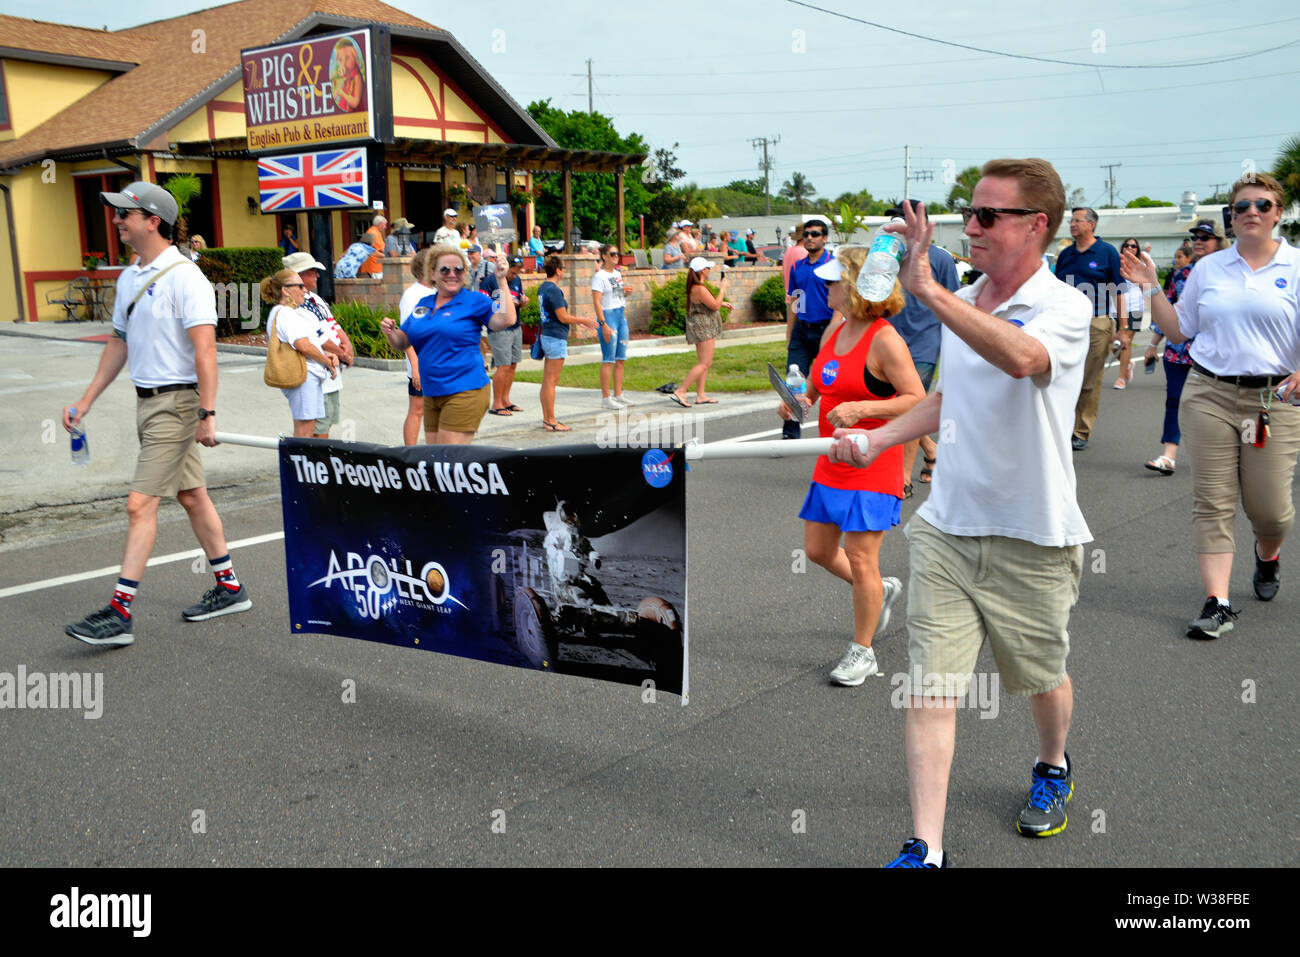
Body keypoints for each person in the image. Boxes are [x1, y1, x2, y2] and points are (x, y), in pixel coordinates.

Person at [828, 159, 1092, 867]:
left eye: (988, 216)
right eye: (969, 213)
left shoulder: (1064, 306)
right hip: (948, 527)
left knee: (1042, 675)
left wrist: (930, 293)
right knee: (930, 687)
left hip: (1032, 532)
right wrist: (879, 437)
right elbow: (950, 396)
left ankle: (1052, 763)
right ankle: (926, 848)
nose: (969, 227)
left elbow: (1020, 360)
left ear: (1037, 225)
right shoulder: (968, 298)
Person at [62, 181, 253, 647]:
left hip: (178, 405)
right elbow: (118, 343)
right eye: (115, 213)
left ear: (153, 221)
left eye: (125, 214)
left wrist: (207, 412)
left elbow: (205, 350)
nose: (116, 220)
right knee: (192, 497)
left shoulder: (186, 278)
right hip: (147, 404)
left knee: (139, 503)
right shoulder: (129, 278)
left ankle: (119, 612)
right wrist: (86, 401)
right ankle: (230, 587)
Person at [1121, 172, 1300, 640]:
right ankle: (1217, 603)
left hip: (1272, 400)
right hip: (1211, 393)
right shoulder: (1210, 268)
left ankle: (1267, 554)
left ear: (1278, 212)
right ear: (1231, 217)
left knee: (1271, 510)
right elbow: (1180, 330)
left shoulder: (1296, 266)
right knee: (1214, 500)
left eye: (1262, 205)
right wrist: (1150, 286)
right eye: (1241, 207)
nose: (1251, 214)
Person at [779, 249, 923, 686]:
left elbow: (919, 400)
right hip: (830, 460)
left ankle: (863, 652)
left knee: (862, 558)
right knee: (819, 552)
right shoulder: (833, 330)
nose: (825, 287)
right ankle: (880, 591)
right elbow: (822, 386)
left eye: (833, 280)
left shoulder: (885, 340)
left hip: (874, 461)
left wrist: (863, 409)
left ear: (861, 286)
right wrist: (799, 402)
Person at [379, 245, 518, 444]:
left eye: (458, 269)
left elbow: (506, 320)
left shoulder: (473, 301)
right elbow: (403, 341)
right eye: (445, 269)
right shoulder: (423, 304)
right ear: (432, 273)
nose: (452, 274)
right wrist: (391, 332)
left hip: (465, 390)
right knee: (437, 460)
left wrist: (501, 279)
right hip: (432, 393)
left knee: (447, 459)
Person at [880, 200, 961, 496]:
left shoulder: (940, 259)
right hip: (888, 344)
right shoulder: (884, 257)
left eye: (905, 222)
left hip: (924, 344)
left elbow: (953, 305)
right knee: (896, 406)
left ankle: (902, 476)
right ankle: (931, 449)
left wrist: (952, 351)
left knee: (910, 405)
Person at [1057, 207, 1124, 450]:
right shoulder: (1065, 255)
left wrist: (1124, 327)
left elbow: (1119, 290)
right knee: (1062, 377)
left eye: (1077, 220)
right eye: (1071, 220)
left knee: (1089, 380)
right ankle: (1062, 425)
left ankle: (1081, 431)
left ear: (1092, 224)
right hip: (1066, 324)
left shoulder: (1107, 253)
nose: (1072, 224)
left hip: (1098, 322)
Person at [285, 251, 354, 439]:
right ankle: (317, 464)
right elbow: (316, 337)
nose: (317, 275)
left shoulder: (315, 299)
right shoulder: (294, 305)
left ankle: (320, 462)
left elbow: (333, 323)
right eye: (312, 271)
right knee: (314, 427)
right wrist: (342, 353)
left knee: (326, 422)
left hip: (331, 373)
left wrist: (347, 345)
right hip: (315, 374)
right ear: (299, 275)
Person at [1141, 243, 1196, 474]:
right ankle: (1168, 456)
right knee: (1174, 400)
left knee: (1211, 406)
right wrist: (1153, 344)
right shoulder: (1179, 275)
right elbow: (1168, 309)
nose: (1175, 260)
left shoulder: (1224, 273)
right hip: (1177, 350)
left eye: (1179, 256)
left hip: (1211, 356)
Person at [265, 268, 338, 437]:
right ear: (285, 290)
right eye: (300, 286)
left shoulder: (283, 313)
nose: (305, 290)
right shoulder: (285, 313)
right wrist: (326, 362)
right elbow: (302, 345)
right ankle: (298, 462)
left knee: (308, 426)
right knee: (305, 429)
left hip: (306, 375)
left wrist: (323, 355)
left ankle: (303, 461)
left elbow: (301, 345)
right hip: (304, 376)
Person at [783, 216, 835, 439]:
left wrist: (832, 334)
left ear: (824, 238)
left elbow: (840, 305)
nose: (809, 238)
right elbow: (795, 301)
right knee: (794, 381)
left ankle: (834, 431)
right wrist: (789, 334)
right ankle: (791, 433)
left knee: (829, 382)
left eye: (814, 234)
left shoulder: (833, 265)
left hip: (827, 330)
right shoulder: (797, 266)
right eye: (806, 234)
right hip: (802, 331)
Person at [536, 254, 598, 431]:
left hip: (547, 335)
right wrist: (582, 320)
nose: (564, 271)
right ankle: (551, 420)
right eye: (563, 268)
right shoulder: (554, 290)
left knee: (547, 380)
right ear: (558, 270)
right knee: (551, 382)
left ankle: (547, 418)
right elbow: (562, 317)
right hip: (555, 337)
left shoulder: (543, 287)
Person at [670, 258, 731, 407]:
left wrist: (721, 302)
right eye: (708, 268)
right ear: (702, 270)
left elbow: (708, 303)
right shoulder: (699, 288)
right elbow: (715, 306)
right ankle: (681, 390)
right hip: (703, 328)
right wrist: (722, 289)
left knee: (704, 363)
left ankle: (701, 395)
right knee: (705, 363)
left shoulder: (697, 287)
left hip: (702, 327)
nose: (709, 270)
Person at [399, 249, 436, 444]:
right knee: (417, 409)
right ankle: (410, 455)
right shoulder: (413, 295)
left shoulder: (437, 292)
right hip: (422, 364)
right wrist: (416, 367)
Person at [482, 255, 526, 416]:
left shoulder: (517, 280)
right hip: (499, 329)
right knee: (503, 365)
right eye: (512, 273)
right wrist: (503, 304)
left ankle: (506, 400)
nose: (514, 276)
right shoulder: (489, 281)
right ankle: (496, 403)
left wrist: (522, 302)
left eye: (516, 273)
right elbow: (482, 304)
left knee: (513, 364)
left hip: (515, 326)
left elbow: (519, 297)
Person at [592, 244, 632, 409]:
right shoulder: (599, 276)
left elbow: (616, 296)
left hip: (620, 315)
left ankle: (618, 394)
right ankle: (606, 398)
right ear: (604, 256)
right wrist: (603, 324)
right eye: (613, 254)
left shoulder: (616, 274)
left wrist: (625, 292)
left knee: (621, 358)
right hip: (608, 316)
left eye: (618, 254)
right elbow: (597, 301)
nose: (616, 256)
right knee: (608, 359)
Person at [1110, 237, 1144, 390]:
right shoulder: (1115, 263)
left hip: (1135, 308)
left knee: (1126, 342)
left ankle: (1121, 378)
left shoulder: (1141, 265)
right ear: (1122, 248)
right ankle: (1128, 363)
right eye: (1127, 245)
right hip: (1116, 308)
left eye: (1134, 246)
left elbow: (1149, 287)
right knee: (1112, 344)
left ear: (1137, 249)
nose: (1130, 248)